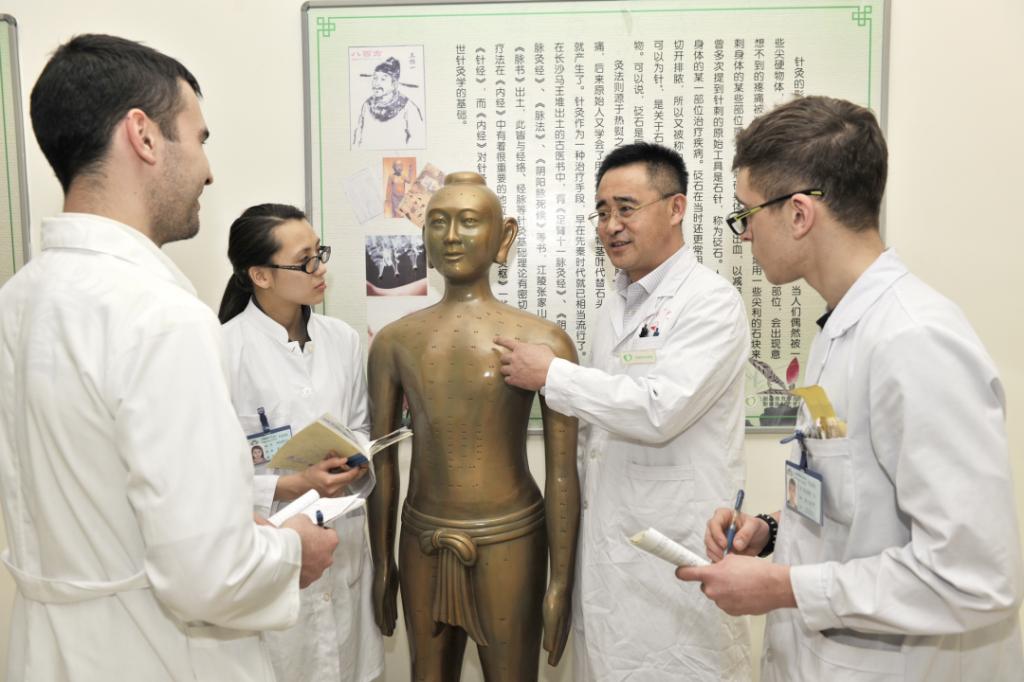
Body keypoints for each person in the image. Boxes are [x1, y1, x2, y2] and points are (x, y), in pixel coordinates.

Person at [0, 35, 338, 681]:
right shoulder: (159, 315)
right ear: (144, 136)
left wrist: (242, 514)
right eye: (199, 138)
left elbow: (100, 501)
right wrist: (293, 550)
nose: (208, 170)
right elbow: (211, 576)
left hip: (49, 653)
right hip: (152, 654)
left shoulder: (18, 299)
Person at [677, 96, 1024, 681]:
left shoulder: (915, 341)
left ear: (799, 214)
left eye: (747, 213)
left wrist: (786, 587)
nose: (745, 234)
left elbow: (976, 577)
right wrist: (773, 532)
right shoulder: (841, 328)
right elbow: (859, 497)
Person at [497, 142, 751, 680]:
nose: (611, 225)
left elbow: (659, 411)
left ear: (676, 208)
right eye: (602, 211)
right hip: (612, 553)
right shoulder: (615, 303)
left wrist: (552, 375)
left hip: (676, 544)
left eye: (626, 208)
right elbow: (601, 423)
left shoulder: (711, 302)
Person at [367, 172, 580, 681]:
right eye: (437, 222)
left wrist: (560, 582)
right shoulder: (394, 342)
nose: (451, 236)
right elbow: (382, 460)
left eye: (468, 221)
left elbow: (562, 472)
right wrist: (383, 563)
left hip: (511, 538)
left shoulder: (543, 339)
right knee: (426, 674)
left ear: (503, 236)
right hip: (422, 538)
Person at [218, 203, 384, 682]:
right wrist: (291, 485)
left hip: (341, 543)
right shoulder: (222, 349)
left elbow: (359, 426)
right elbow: (207, 477)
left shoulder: (342, 340)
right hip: (270, 548)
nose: (319, 268)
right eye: (304, 260)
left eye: (319, 253)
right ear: (261, 275)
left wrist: (355, 461)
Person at [352, 56, 424, 149]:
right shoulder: (367, 105)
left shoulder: (408, 107)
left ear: (394, 84)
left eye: (383, 79)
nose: (376, 83)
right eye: (375, 78)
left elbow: (417, 140)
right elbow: (358, 136)